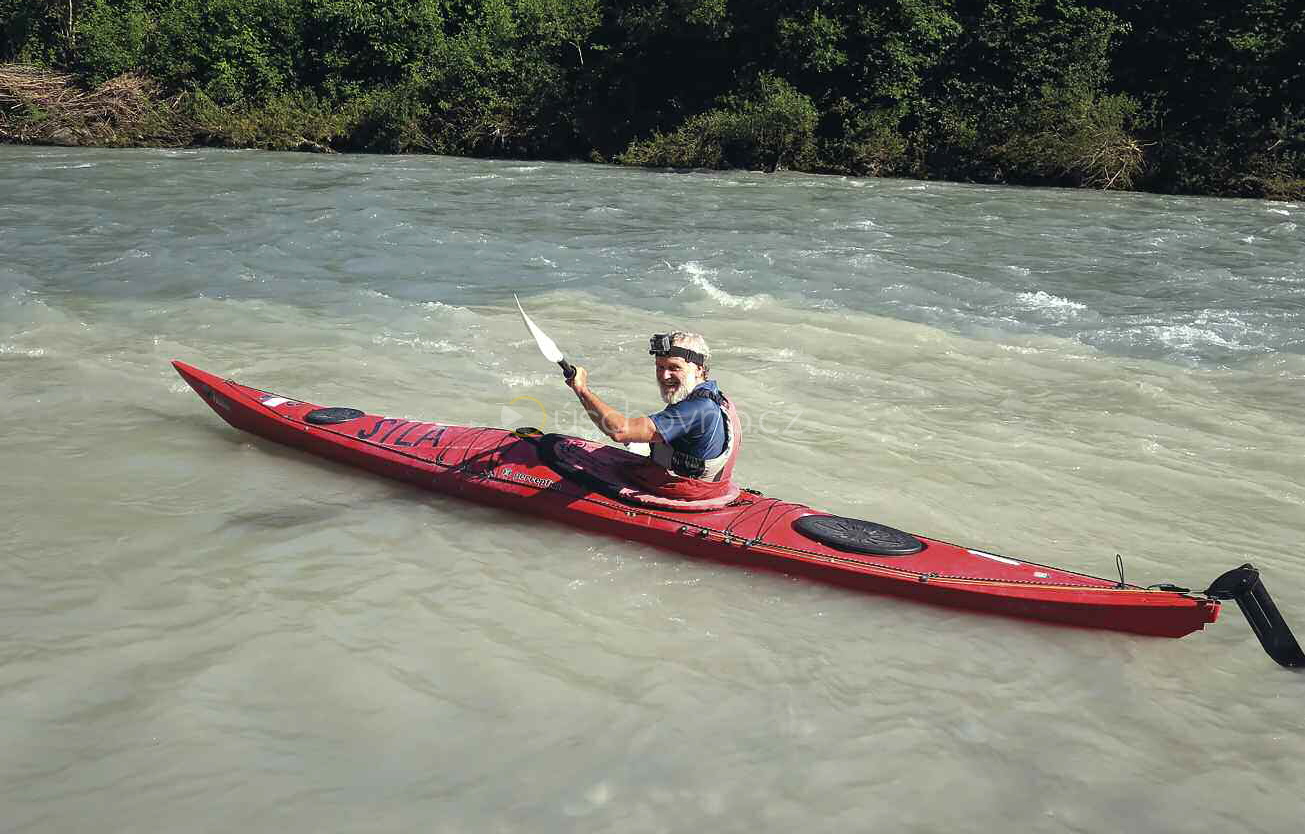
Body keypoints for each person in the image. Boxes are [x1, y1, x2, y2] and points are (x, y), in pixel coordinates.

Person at [566, 331, 742, 501]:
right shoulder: (716, 396)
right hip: (711, 487)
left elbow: (619, 431)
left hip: (687, 493)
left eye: (674, 368)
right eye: (660, 367)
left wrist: (582, 390)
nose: (665, 376)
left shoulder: (697, 408)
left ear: (699, 369)